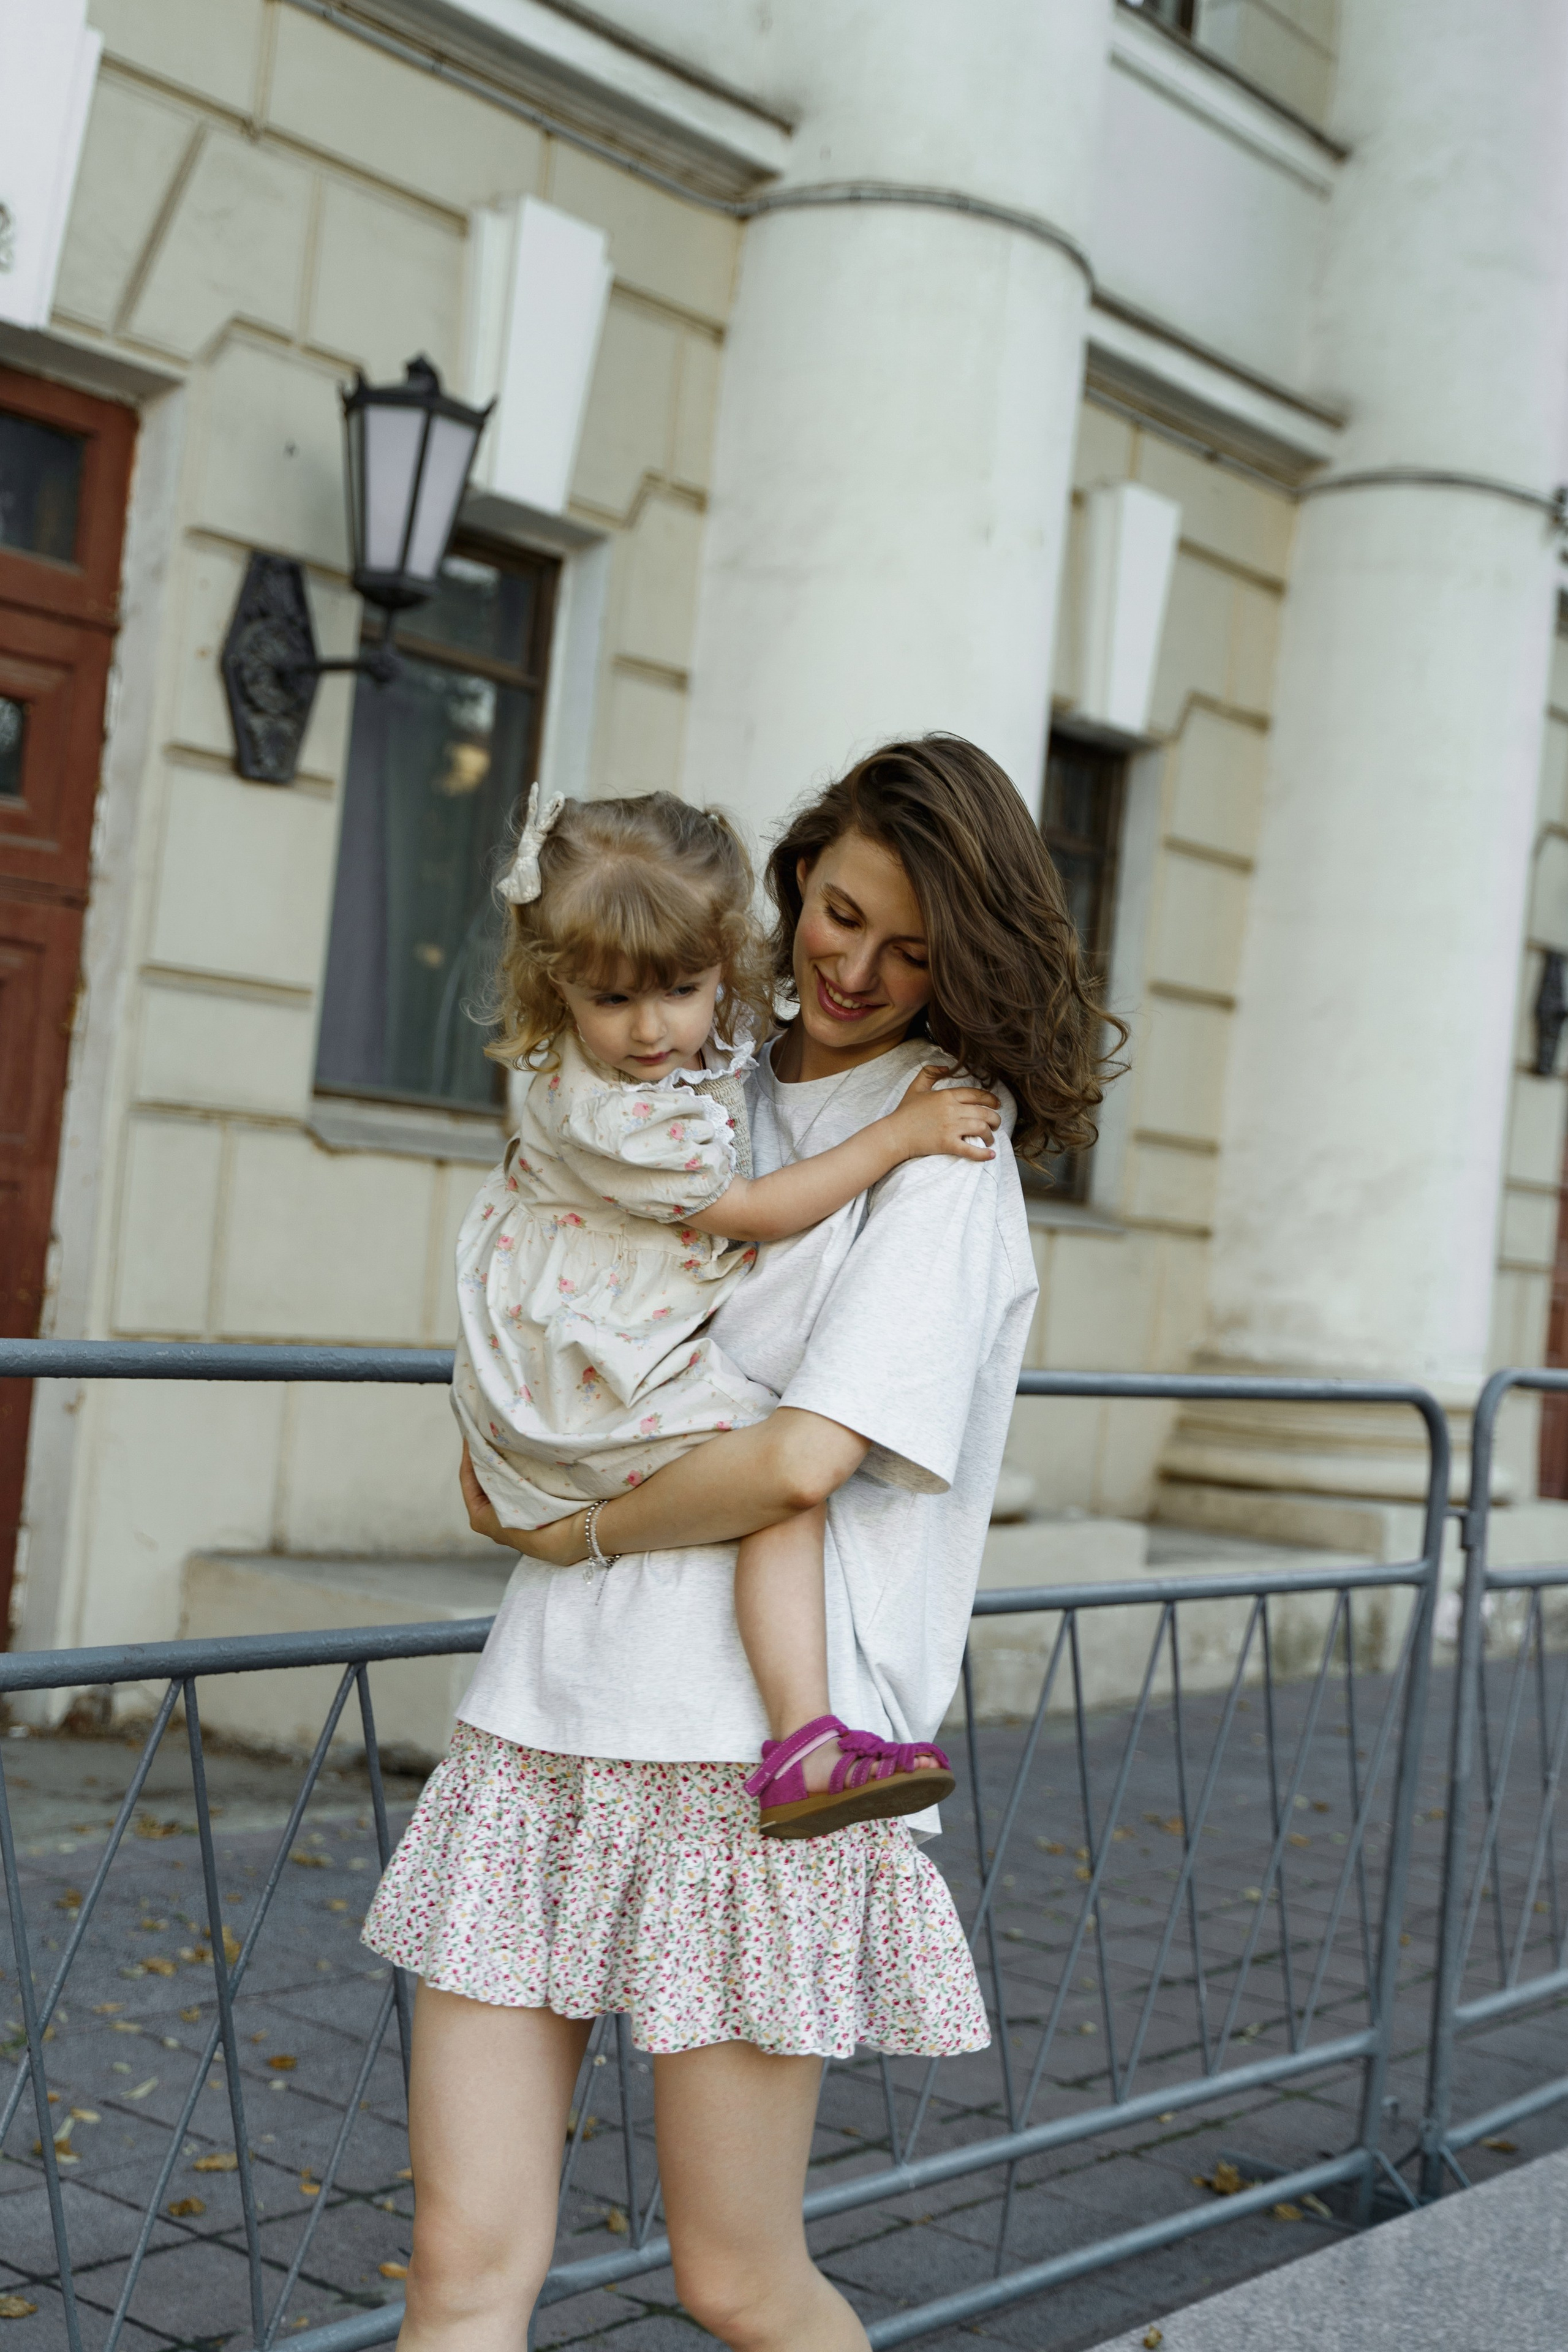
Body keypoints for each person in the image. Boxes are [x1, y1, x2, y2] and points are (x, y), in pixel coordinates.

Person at [363, 736, 1124, 2351]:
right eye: (842, 912)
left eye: (914, 949)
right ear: (794, 884)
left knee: (733, 2277)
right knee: (457, 2265)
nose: (856, 966)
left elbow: (800, 1457)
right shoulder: (676, 1064)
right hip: (546, 1725)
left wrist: (567, 1526)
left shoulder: (945, 1153)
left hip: (752, 1764)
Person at [450, 784, 1000, 1833]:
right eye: (841, 920)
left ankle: (808, 1736)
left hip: (575, 1430)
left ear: (724, 963)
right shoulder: (629, 1114)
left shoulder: (661, 1060)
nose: (655, 1031)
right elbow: (754, 1213)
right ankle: (805, 1738)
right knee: (775, 1479)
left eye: (685, 990)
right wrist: (895, 1138)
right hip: (592, 1407)